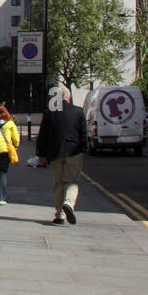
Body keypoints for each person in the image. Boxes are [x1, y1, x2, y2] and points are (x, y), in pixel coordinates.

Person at [36, 85, 86, 224]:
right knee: (72, 181)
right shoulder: (79, 112)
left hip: (55, 152)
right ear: (69, 97)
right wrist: (83, 149)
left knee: (58, 183)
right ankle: (69, 203)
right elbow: (83, 135)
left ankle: (59, 215)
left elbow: (43, 135)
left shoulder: (50, 112)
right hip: (74, 152)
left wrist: (41, 154)